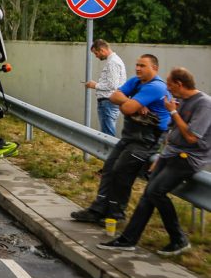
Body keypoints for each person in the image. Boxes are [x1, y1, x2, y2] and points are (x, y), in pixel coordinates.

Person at [99, 67, 211, 256]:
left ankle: (179, 239)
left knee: (155, 192)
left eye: (169, 85)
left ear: (179, 84)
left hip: (189, 158)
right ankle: (128, 240)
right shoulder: (181, 101)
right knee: (147, 195)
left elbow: (193, 137)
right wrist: (160, 157)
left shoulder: (204, 104)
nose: (167, 89)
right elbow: (172, 133)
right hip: (170, 155)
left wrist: (174, 112)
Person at [71, 54, 170, 224]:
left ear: (155, 68)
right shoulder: (136, 81)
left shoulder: (156, 87)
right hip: (130, 136)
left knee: (121, 173)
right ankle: (97, 209)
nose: (138, 68)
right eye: (137, 64)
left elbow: (128, 109)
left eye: (143, 66)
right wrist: (133, 103)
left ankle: (116, 215)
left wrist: (131, 104)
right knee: (109, 169)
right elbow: (113, 97)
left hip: (146, 141)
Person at [85, 39, 126, 136]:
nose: (96, 56)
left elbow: (112, 85)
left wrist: (95, 85)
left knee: (107, 135)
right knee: (107, 132)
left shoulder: (113, 62)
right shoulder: (114, 61)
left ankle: (108, 151)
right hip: (110, 102)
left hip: (108, 102)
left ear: (102, 50)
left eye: (96, 53)